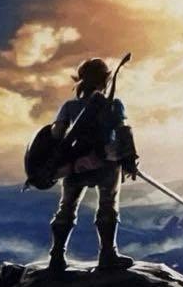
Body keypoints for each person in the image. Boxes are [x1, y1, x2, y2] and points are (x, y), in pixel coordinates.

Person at [48, 57, 139, 272]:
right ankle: (108, 255)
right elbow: (124, 131)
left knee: (67, 207)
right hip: (107, 163)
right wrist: (129, 158)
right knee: (108, 206)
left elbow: (56, 135)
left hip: (75, 164)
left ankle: (57, 257)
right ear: (104, 80)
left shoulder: (69, 106)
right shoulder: (114, 104)